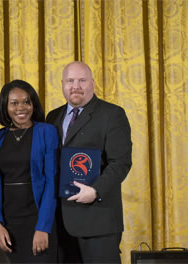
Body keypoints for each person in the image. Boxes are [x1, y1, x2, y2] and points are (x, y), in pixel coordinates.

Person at [46, 62, 132, 263]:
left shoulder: (112, 115)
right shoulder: (52, 117)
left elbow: (120, 162)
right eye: (70, 81)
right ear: (62, 84)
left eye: (82, 80)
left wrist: (95, 191)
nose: (75, 86)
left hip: (98, 221)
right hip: (60, 223)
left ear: (93, 83)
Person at [0, 80, 59, 263]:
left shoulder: (46, 132)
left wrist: (43, 227)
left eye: (26, 102)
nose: (22, 108)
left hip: (37, 221)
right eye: (14, 103)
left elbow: (52, 182)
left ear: (33, 104)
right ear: (5, 106)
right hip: (8, 226)